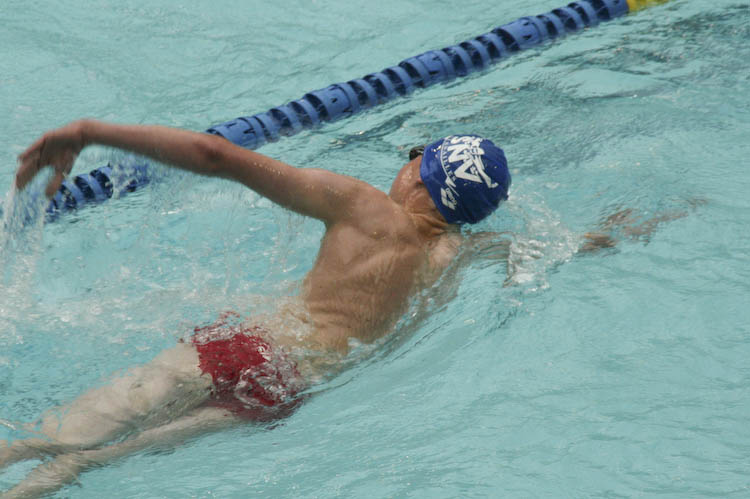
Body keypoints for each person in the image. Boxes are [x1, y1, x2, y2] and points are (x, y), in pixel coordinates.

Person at [1, 121, 513, 497]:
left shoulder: (365, 207)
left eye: (415, 157)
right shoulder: (454, 253)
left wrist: (89, 133)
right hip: (286, 390)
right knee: (84, 463)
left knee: (45, 440)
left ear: (421, 178)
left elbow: (216, 154)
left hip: (246, 349)